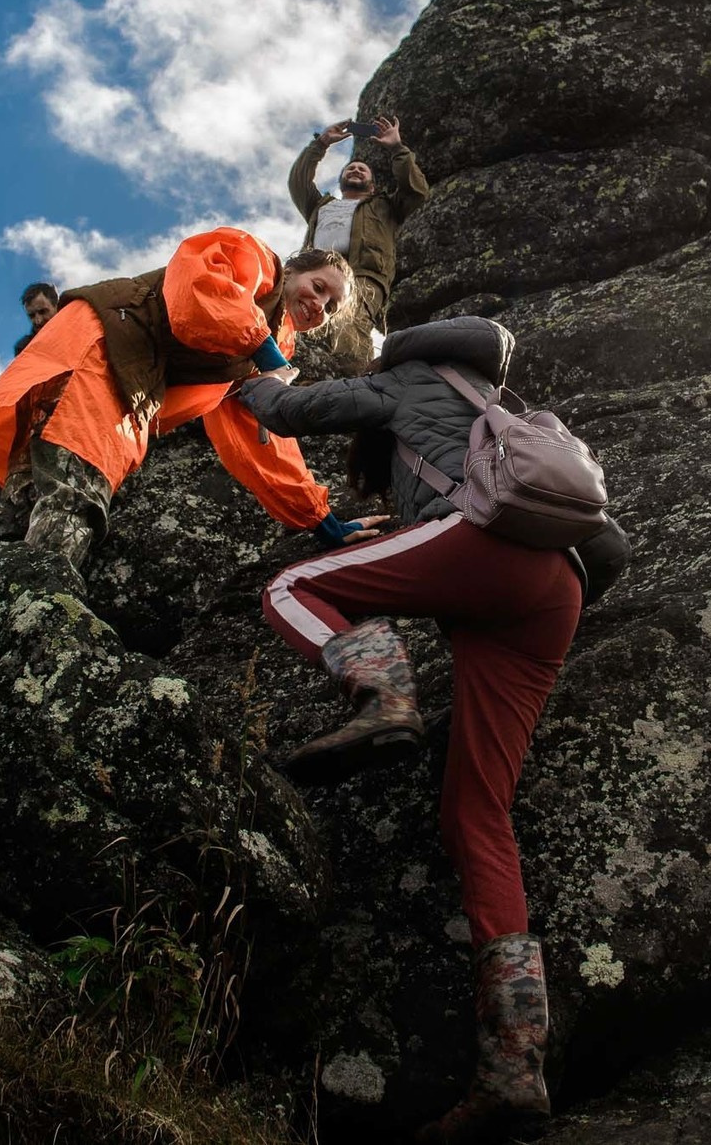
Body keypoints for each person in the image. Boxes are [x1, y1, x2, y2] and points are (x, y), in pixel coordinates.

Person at [235, 317, 630, 1143]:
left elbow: (289, 413)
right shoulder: (496, 401)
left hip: (478, 550)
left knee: (292, 590)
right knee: (477, 817)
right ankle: (513, 1067)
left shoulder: (405, 381)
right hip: (553, 591)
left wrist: (243, 381)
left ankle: (383, 695)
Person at [0, 227, 375, 569]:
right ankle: (40, 619)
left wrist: (319, 519)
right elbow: (199, 289)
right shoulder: (257, 262)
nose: (319, 305)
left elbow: (262, 441)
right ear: (295, 269)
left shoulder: (271, 354)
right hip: (102, 353)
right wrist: (261, 348)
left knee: (25, 504)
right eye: (318, 287)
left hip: (120, 378)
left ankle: (2, 613)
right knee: (76, 492)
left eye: (331, 307)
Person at [288, 112, 430, 341]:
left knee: (350, 326)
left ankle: (349, 374)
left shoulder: (385, 207)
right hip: (314, 274)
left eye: (362, 170)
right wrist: (321, 143)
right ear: (341, 180)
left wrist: (396, 147)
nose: (355, 170)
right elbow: (298, 182)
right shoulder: (320, 206)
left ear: (372, 186)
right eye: (350, 168)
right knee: (298, 324)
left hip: (363, 276)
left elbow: (417, 191)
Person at [14, 281, 60, 355]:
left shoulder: (77, 326)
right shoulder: (24, 349)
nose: (38, 320)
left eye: (43, 312)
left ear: (56, 306)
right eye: (32, 316)